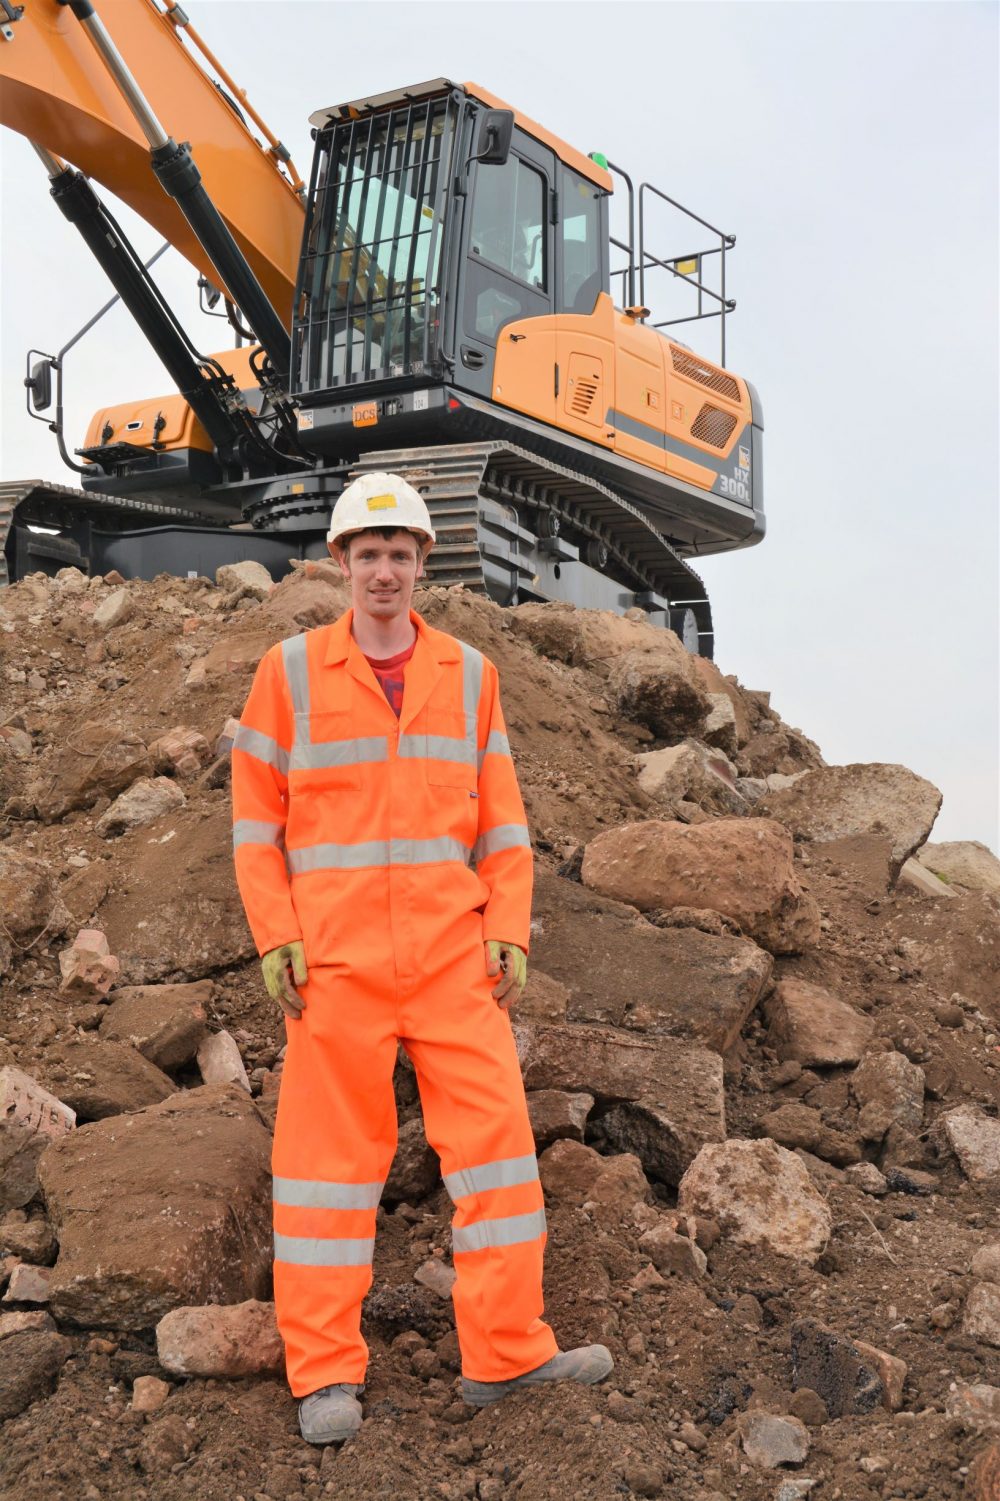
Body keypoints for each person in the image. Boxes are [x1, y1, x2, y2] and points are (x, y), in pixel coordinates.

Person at [231, 472, 613, 1446]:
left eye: (401, 554)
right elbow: (254, 825)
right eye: (369, 555)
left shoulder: (470, 675)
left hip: (453, 962)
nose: (385, 571)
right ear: (341, 563)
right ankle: (322, 1373)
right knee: (324, 1170)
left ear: (422, 564)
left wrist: (509, 925)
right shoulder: (291, 671)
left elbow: (502, 822)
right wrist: (275, 930)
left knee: (498, 1161)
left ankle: (508, 1353)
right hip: (337, 965)